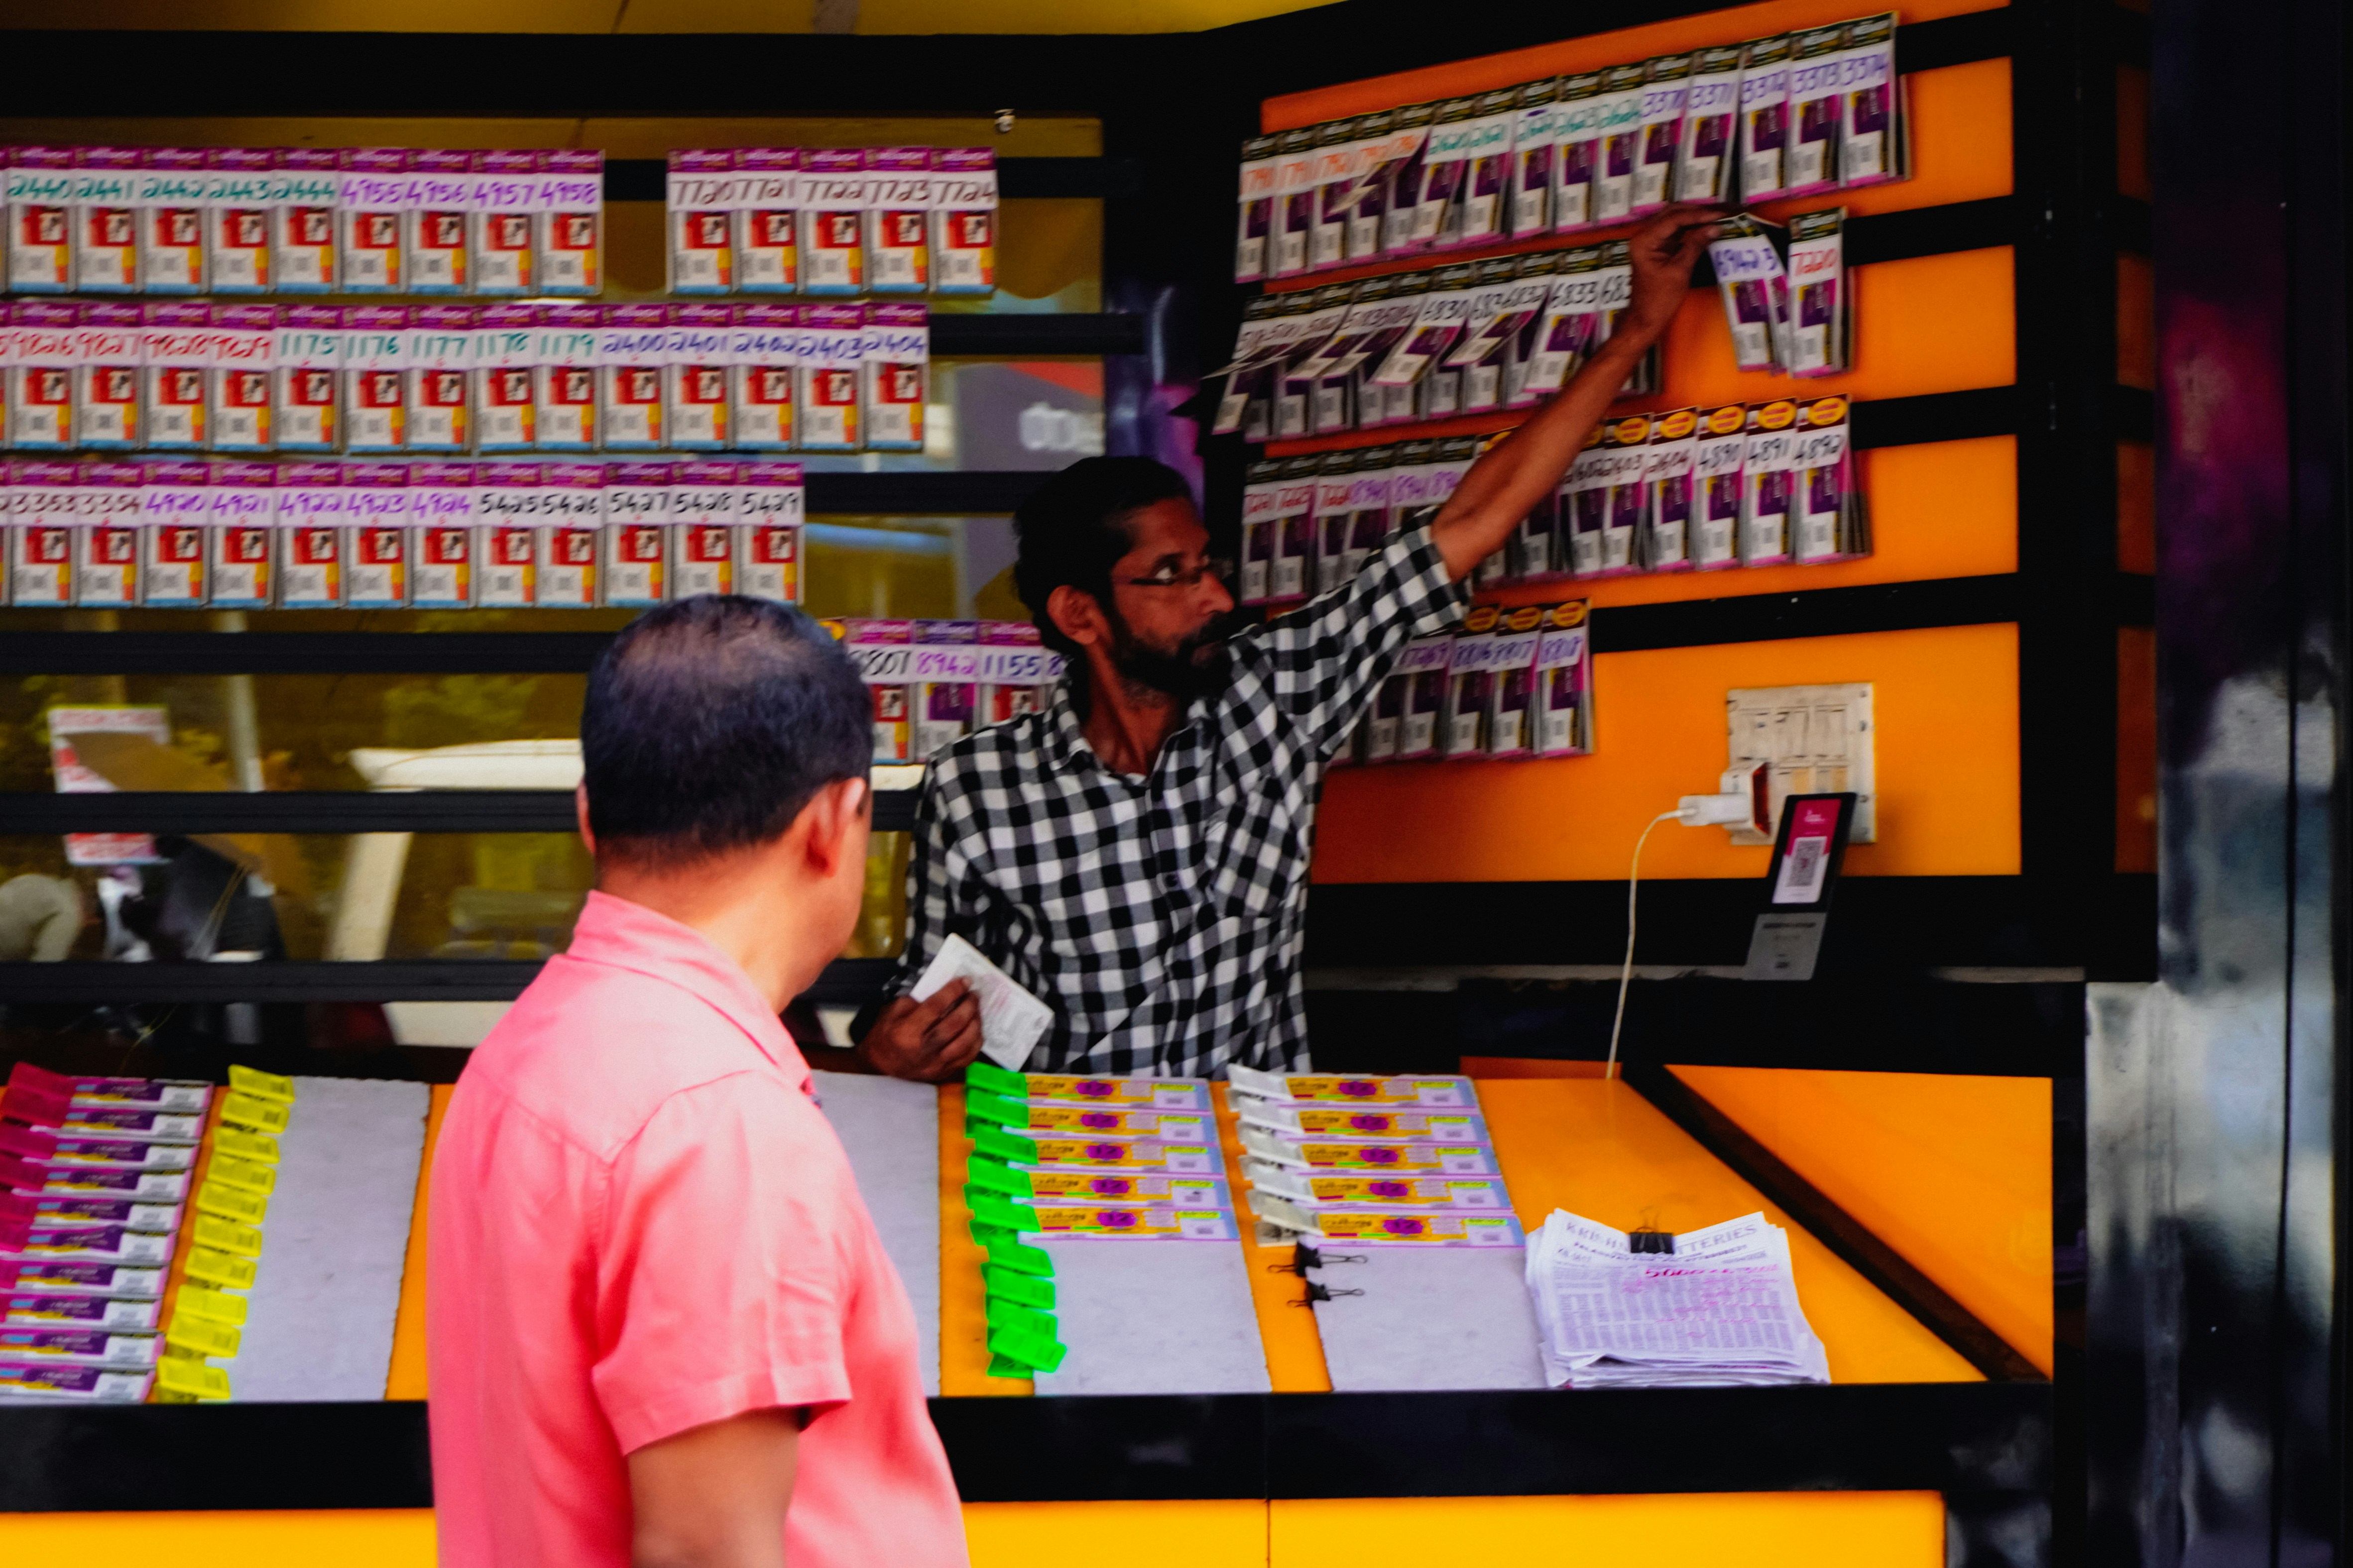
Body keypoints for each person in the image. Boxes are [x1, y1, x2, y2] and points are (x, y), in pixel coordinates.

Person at [857, 204, 1720, 1082]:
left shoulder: (1276, 695)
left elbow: (1468, 521)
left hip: (1252, 1167)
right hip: (1078, 1175)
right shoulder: (977, 789)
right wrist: (894, 1043)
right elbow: (923, 1006)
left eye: (1210, 565)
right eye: (1173, 576)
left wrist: (1639, 327)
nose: (1218, 596)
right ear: (1080, 614)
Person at [427, 597, 966, 1568]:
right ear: (833, 825)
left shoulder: (525, 1053)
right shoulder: (719, 1120)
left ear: (589, 817)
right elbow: (706, 1550)